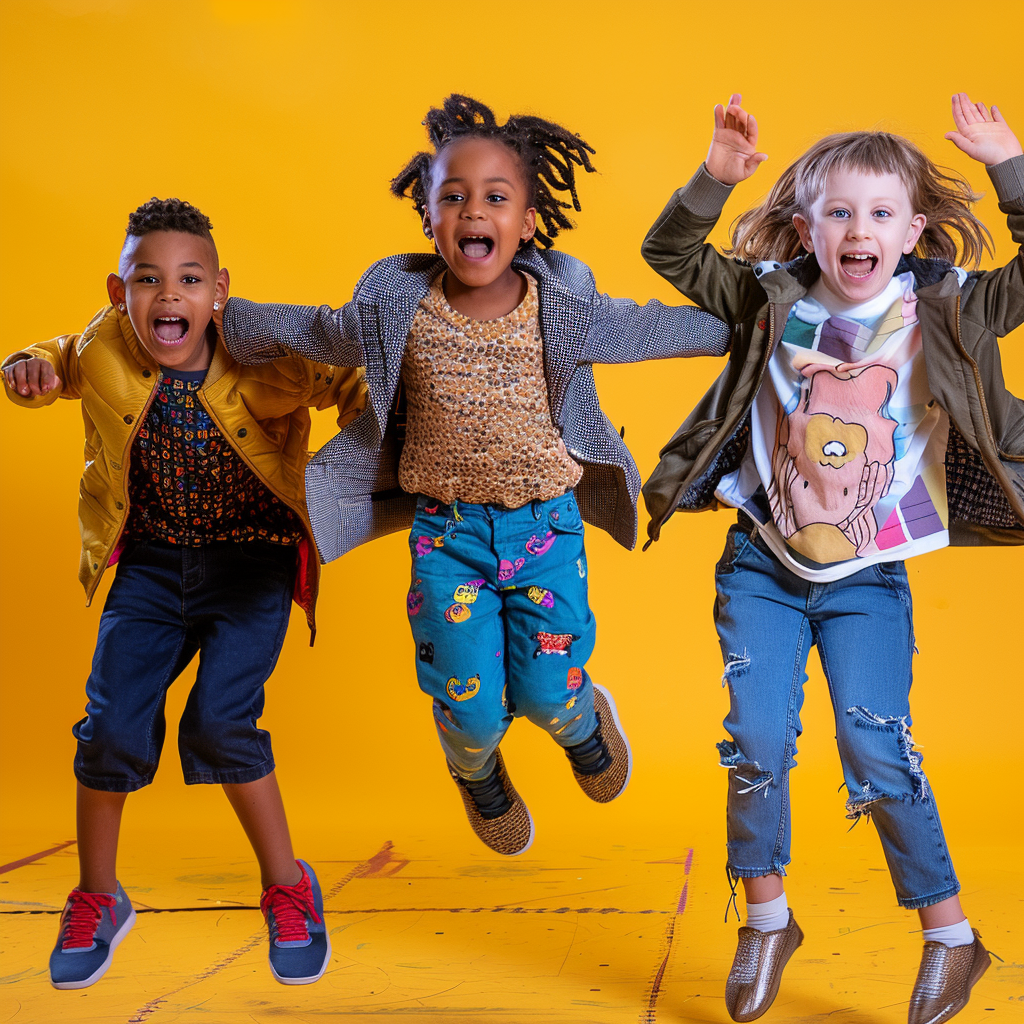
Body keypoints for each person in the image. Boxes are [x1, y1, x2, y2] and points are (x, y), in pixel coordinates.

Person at [217, 94, 731, 857]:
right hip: (446, 536)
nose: (472, 211)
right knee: (473, 709)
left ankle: (583, 723)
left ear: (526, 222)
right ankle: (477, 774)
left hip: (544, 527)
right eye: (452, 197)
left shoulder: (562, 305)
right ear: (428, 219)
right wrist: (225, 316)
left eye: (495, 197)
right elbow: (316, 327)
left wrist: (752, 323)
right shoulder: (397, 306)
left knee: (549, 692)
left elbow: (651, 326)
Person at [640, 93, 1023, 1023]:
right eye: (839, 213)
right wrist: (715, 177)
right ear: (806, 231)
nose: (860, 231)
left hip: (869, 578)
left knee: (874, 748)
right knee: (757, 741)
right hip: (761, 563)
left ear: (914, 229)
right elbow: (671, 256)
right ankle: (767, 920)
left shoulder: (947, 306)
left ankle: (951, 940)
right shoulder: (769, 295)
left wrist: (1010, 167)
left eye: (881, 213)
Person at [3, 198, 365, 989]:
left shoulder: (266, 354)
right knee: (109, 731)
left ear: (220, 291)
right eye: (148, 279)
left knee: (221, 721)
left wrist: (387, 443)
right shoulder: (102, 346)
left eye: (189, 280)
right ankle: (99, 895)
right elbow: (58, 358)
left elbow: (347, 378)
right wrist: (24, 368)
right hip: (152, 566)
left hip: (254, 563)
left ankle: (287, 885)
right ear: (117, 291)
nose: (169, 296)